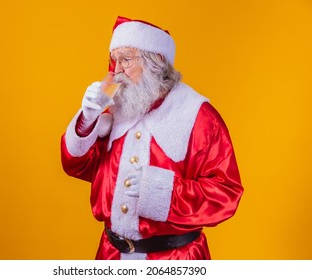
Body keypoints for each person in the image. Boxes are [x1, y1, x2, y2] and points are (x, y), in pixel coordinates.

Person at [61, 16, 244, 260]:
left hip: (175, 259)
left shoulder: (199, 116)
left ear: (155, 62)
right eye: (113, 60)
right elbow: (77, 166)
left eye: (125, 60)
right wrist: (86, 120)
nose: (116, 71)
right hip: (111, 256)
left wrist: (162, 192)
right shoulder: (116, 106)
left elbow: (226, 195)